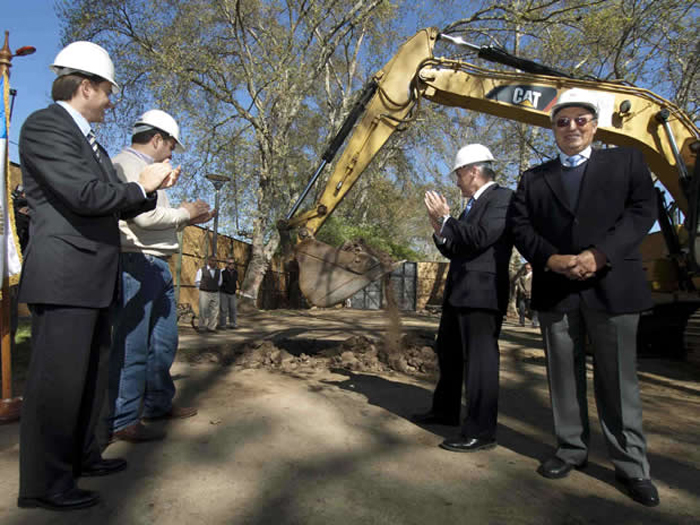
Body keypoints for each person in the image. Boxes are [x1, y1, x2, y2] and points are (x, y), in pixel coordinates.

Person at [16, 41, 178, 511]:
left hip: (93, 276)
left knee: (90, 378)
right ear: (85, 86)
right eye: (107, 90)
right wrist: (139, 184)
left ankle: (83, 457)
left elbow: (115, 197)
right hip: (66, 275)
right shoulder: (45, 126)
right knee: (58, 384)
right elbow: (86, 196)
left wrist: (149, 190)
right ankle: (44, 483)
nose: (111, 100)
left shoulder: (89, 140)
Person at [509, 88, 659, 507]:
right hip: (556, 289)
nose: (571, 128)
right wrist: (550, 259)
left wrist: (599, 254)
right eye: (562, 121)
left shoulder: (627, 162)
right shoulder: (533, 179)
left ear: (594, 124)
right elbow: (521, 226)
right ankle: (570, 449)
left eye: (580, 120)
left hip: (612, 286)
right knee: (563, 376)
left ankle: (632, 466)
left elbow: (642, 211)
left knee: (618, 382)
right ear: (552, 129)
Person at [107, 110, 215, 444]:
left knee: (163, 343)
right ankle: (123, 418)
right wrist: (186, 213)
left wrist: (185, 220)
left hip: (156, 264)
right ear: (157, 139)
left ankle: (156, 403)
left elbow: (157, 220)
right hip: (135, 263)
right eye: (170, 146)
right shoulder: (125, 166)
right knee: (133, 344)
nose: (171, 154)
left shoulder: (152, 171)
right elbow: (143, 219)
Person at [415, 144, 513, 453]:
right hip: (459, 293)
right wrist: (439, 228)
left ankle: (481, 431)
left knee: (480, 365)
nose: (456, 181)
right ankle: (445, 411)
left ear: (473, 171)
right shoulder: (471, 205)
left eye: (458, 174)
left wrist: (446, 219)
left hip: (482, 296)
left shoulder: (502, 199)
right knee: (448, 352)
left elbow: (481, 238)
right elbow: (457, 248)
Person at [195, 255, 222, 332]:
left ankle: (211, 327)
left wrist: (214, 287)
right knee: (203, 310)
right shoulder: (202, 270)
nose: (214, 262)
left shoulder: (218, 271)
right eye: (212, 260)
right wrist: (202, 288)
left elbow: (220, 282)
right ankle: (201, 327)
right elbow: (197, 281)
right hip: (204, 292)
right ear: (208, 261)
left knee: (215, 311)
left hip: (215, 292)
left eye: (215, 261)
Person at [514, 262, 538, 327]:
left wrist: (530, 291)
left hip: (531, 295)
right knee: (521, 310)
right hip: (522, 295)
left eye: (529, 268)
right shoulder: (522, 276)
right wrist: (522, 290)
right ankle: (521, 323)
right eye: (526, 268)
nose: (527, 269)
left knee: (533, 310)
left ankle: (534, 323)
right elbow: (518, 283)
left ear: (531, 269)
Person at [219, 257, 239, 329]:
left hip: (232, 293)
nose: (231, 265)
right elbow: (219, 282)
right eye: (230, 263)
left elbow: (236, 282)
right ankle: (222, 324)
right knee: (223, 309)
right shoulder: (222, 272)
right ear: (227, 264)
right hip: (224, 292)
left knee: (233, 309)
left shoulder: (236, 272)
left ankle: (233, 323)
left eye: (233, 263)